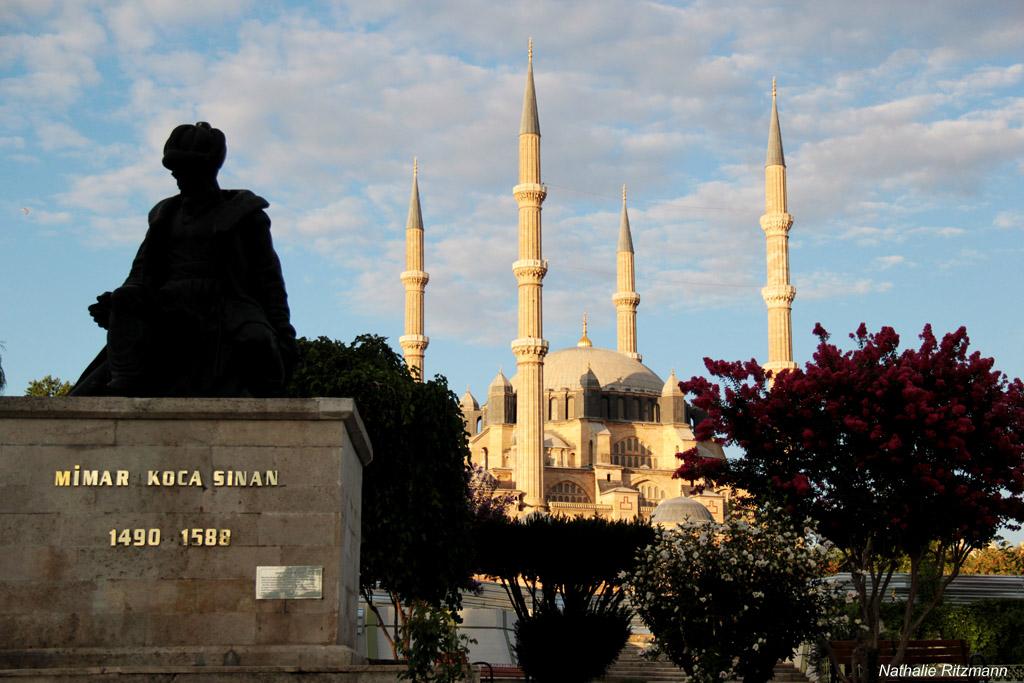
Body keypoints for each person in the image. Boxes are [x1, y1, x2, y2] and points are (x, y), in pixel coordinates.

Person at [71, 122, 297, 397]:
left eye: (184, 167)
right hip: (170, 303)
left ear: (208, 168)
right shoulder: (165, 216)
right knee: (124, 299)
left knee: (256, 341)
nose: (177, 174)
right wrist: (120, 301)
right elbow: (141, 273)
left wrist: (284, 334)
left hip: (227, 304)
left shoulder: (245, 215)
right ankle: (126, 385)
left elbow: (269, 280)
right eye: (174, 168)